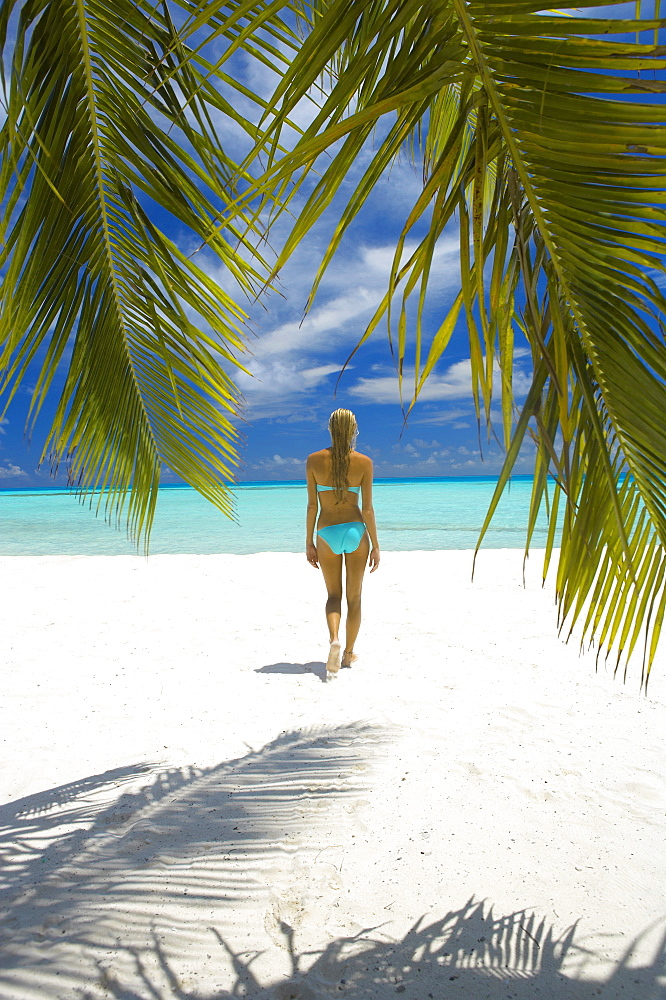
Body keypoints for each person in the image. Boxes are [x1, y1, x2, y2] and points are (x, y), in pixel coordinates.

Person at [305, 408, 380, 680]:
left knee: (333, 596)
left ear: (330, 428)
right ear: (354, 430)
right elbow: (368, 509)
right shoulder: (364, 462)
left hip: (326, 532)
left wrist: (309, 542)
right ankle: (348, 653)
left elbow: (312, 506)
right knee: (355, 597)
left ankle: (334, 638)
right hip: (355, 531)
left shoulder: (313, 460)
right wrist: (375, 544)